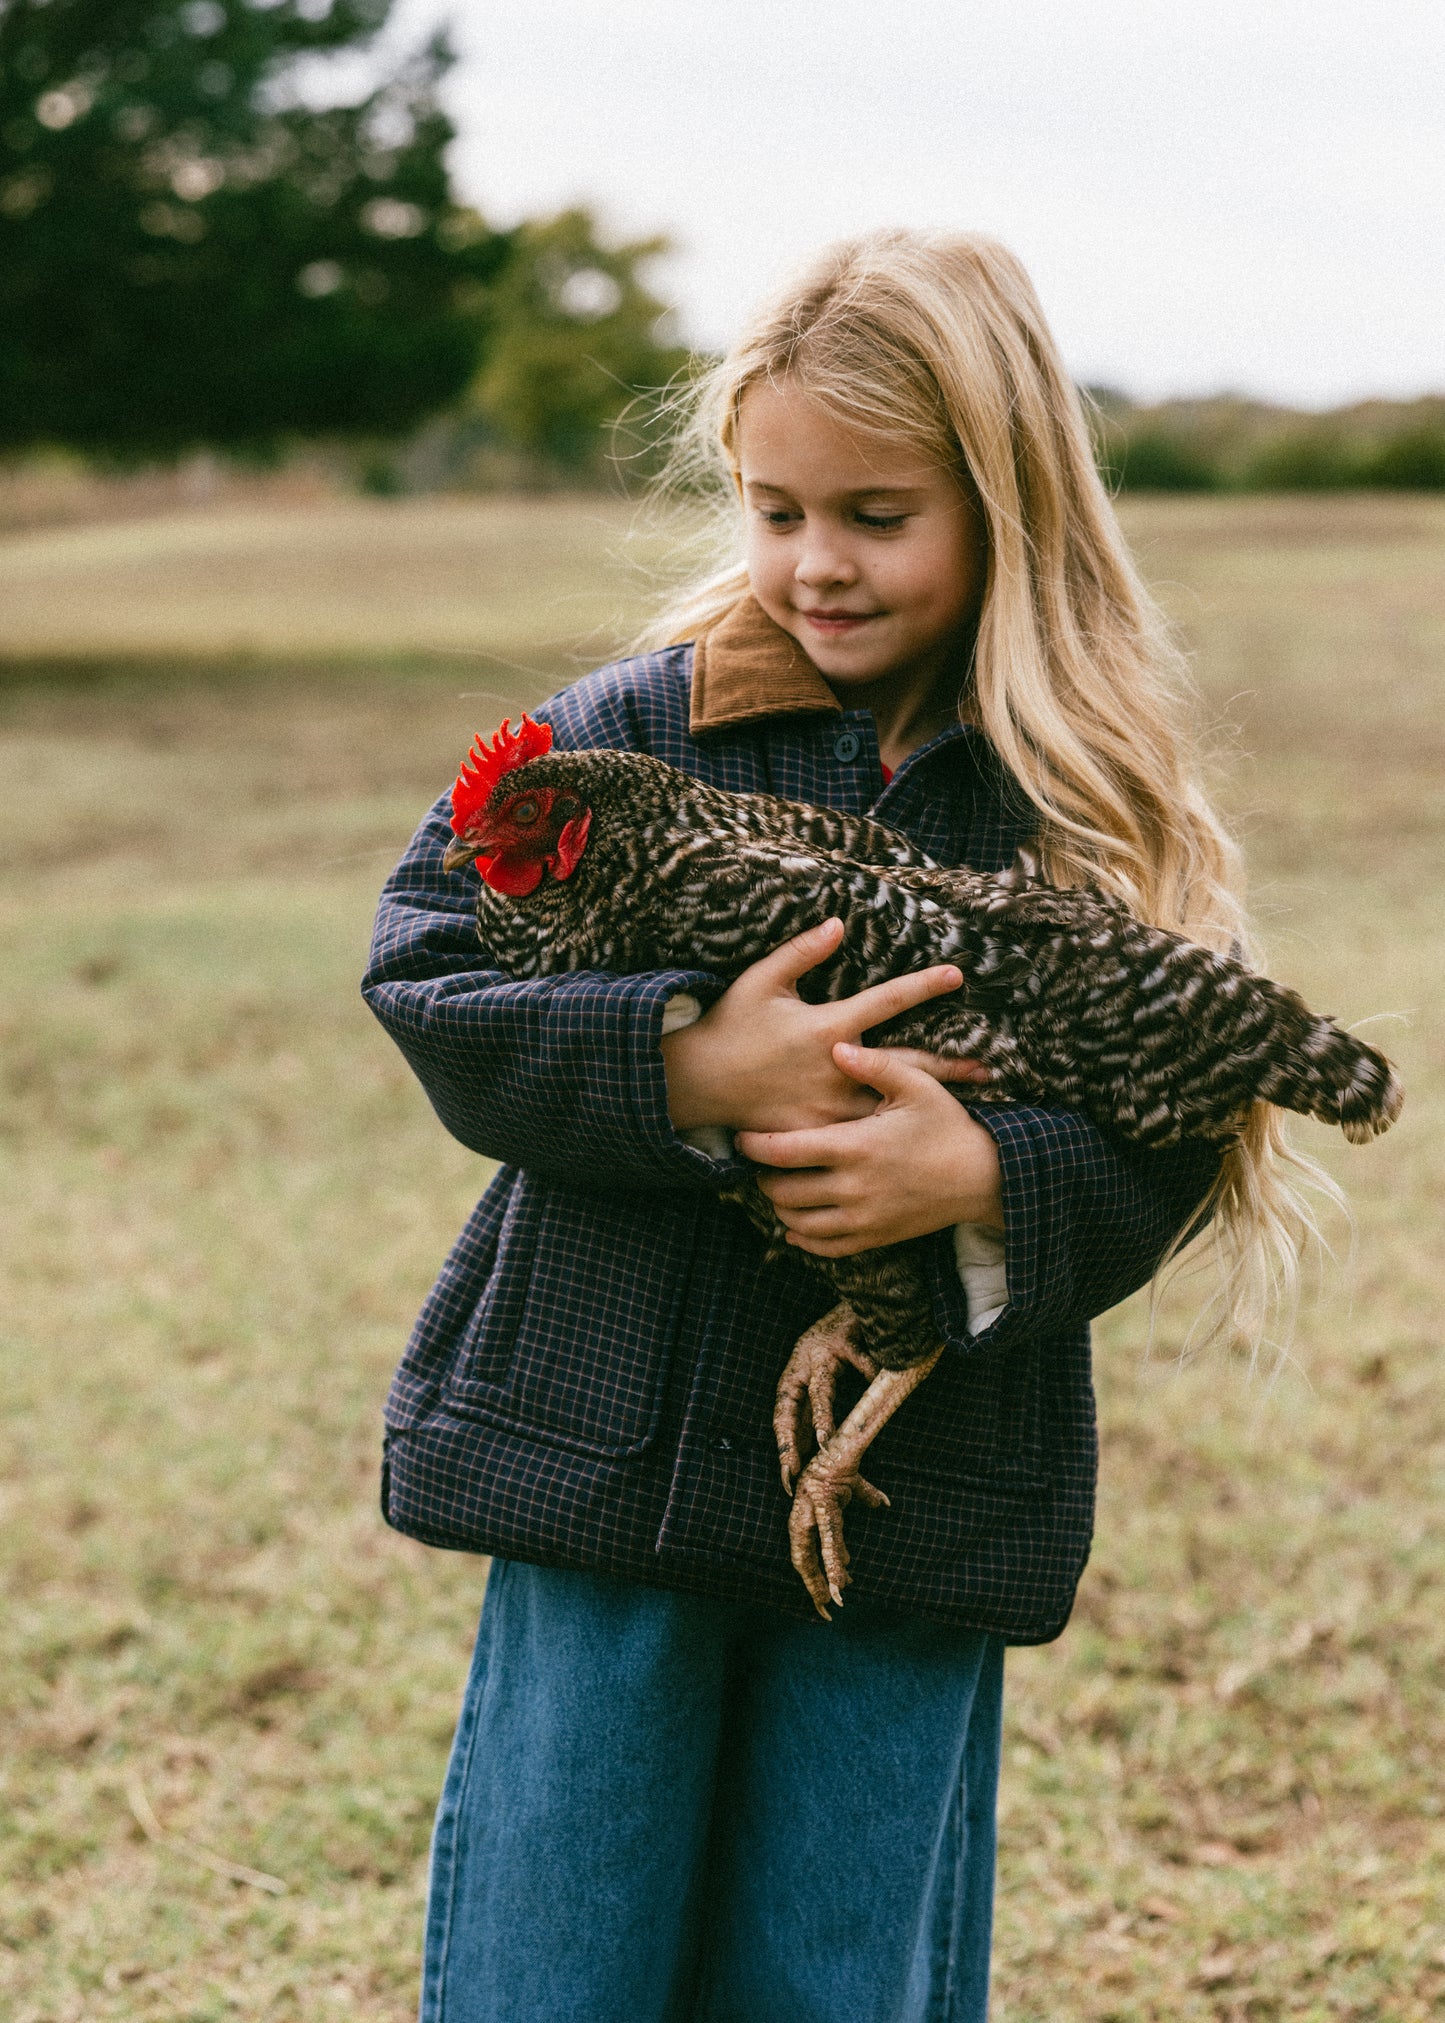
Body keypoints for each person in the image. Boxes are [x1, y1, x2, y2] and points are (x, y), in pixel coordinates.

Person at [363, 230, 1317, 2023]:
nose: (815, 563)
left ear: (1008, 501)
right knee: (553, 1960)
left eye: (875, 513)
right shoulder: (621, 739)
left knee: (836, 1961)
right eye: (774, 508)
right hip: (610, 1452)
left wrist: (985, 1180)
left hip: (913, 1480)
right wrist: (679, 1066)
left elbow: (1179, 1128)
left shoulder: (1085, 804)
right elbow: (426, 978)